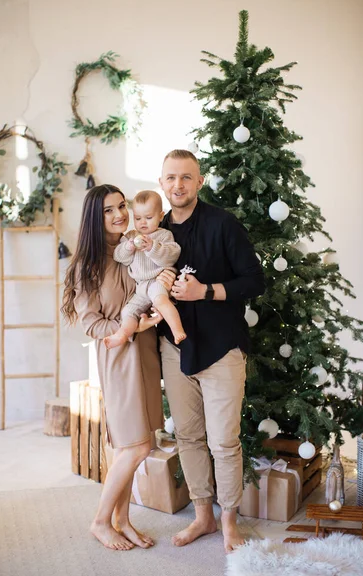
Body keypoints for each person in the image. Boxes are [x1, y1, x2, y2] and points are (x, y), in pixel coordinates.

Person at [158, 149, 265, 553]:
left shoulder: (224, 224)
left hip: (221, 347)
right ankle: (202, 517)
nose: (178, 185)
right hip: (174, 348)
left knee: (224, 442)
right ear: (162, 182)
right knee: (188, 436)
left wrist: (206, 291)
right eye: (171, 178)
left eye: (186, 178)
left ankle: (229, 522)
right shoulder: (155, 231)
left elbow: (255, 281)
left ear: (199, 182)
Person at [62, 184, 174, 551]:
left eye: (121, 206)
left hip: (144, 350)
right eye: (109, 210)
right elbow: (91, 324)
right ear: (95, 218)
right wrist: (130, 328)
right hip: (117, 355)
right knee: (135, 445)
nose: (119, 214)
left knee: (138, 441)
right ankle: (100, 522)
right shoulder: (87, 265)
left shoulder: (134, 244)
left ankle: (122, 520)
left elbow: (156, 277)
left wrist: (165, 281)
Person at [103, 190, 186, 349]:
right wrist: (129, 247)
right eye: (138, 218)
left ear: (161, 216)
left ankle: (177, 330)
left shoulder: (164, 236)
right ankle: (122, 334)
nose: (143, 223)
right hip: (141, 287)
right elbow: (120, 257)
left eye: (148, 218)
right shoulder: (130, 236)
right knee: (128, 311)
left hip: (157, 281)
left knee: (161, 301)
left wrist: (152, 247)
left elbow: (171, 256)